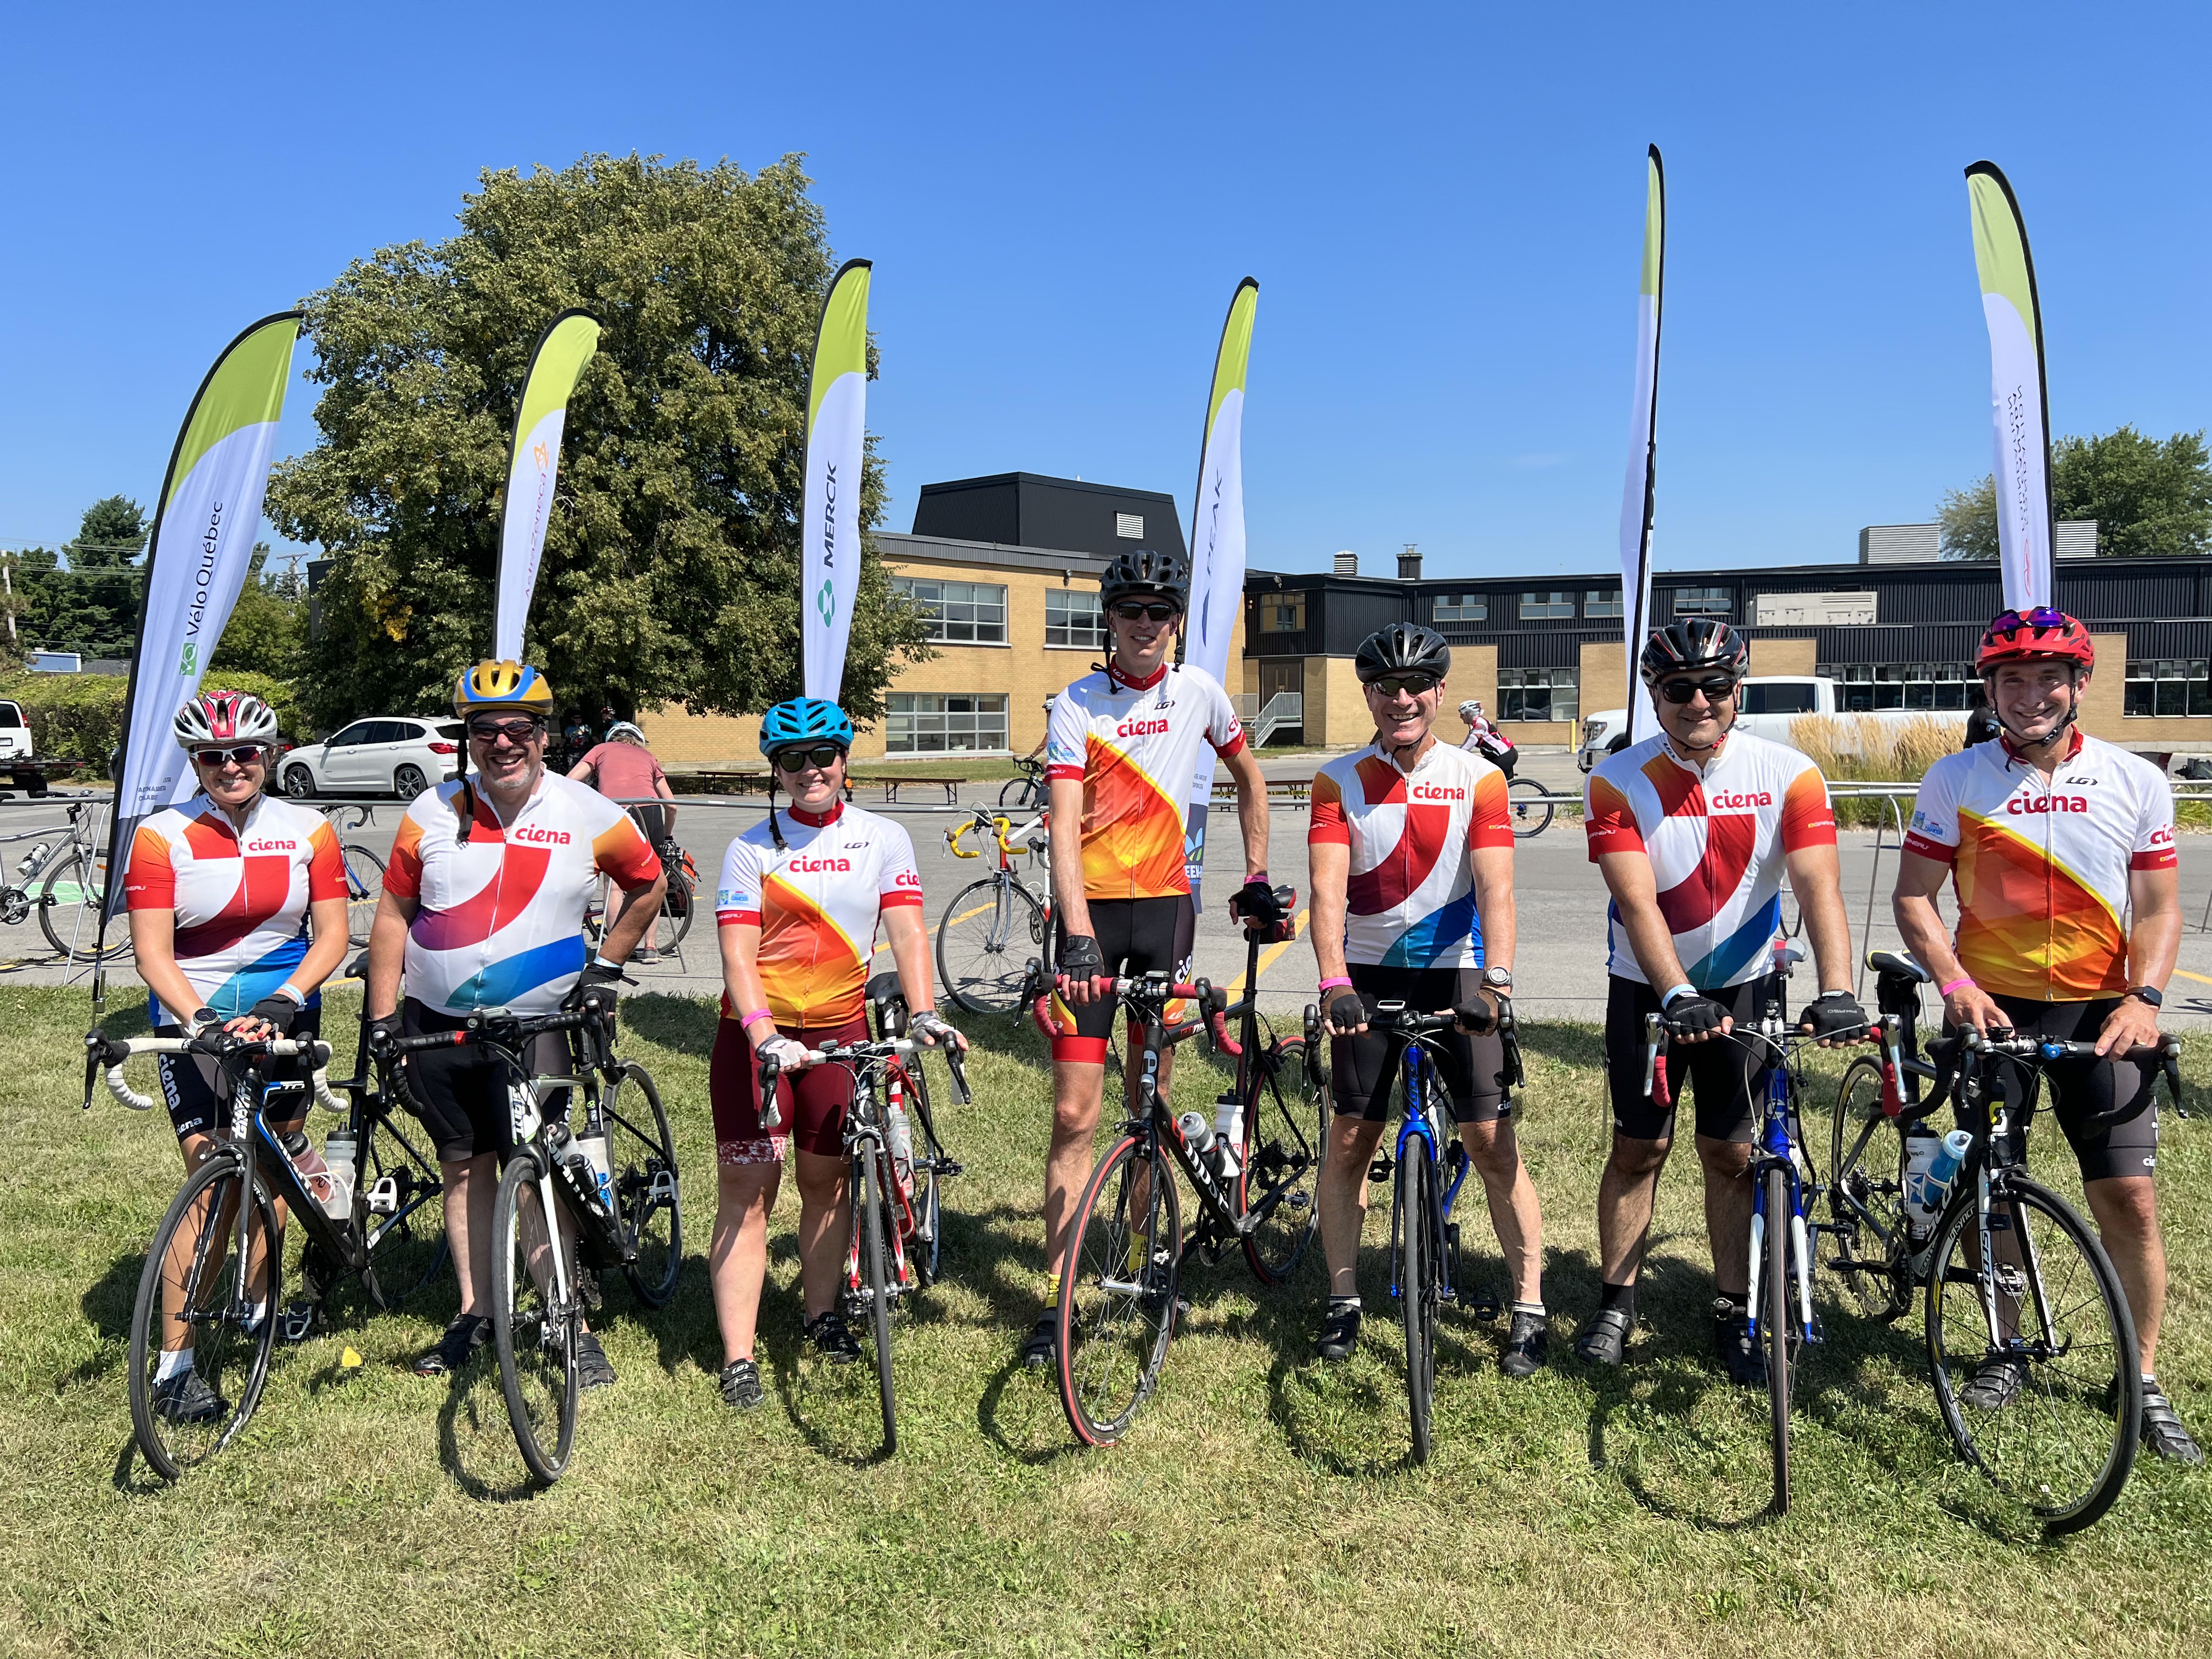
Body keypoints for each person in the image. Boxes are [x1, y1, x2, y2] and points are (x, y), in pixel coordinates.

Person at [1893, 607, 2198, 1464]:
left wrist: (2144, 998)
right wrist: (1952, 983)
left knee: (2129, 1201)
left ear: (2078, 686)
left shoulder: (2135, 780)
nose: (2030, 695)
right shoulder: (1956, 778)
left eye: (2048, 679)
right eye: (2011, 680)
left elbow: (2160, 909)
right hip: (1992, 1008)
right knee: (1994, 1189)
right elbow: (1915, 896)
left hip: (2105, 1012)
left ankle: (2137, 1377)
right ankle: (2006, 1344)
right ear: (1989, 690)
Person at [1577, 620, 1866, 1385]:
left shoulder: (1791, 774)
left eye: (1713, 688)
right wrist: (1674, 992)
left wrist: (1837, 989)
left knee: (1732, 1153)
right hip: (1647, 985)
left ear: (1738, 691)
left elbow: (1817, 886)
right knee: (1640, 1148)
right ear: (1655, 696)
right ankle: (1616, 1298)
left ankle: (1733, 1301)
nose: (1697, 702)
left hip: (1746, 985)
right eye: (1678, 690)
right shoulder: (1617, 780)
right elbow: (1637, 903)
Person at [364, 660, 665, 1388]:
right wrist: (380, 1022)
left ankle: (569, 1319)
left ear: (544, 734)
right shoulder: (430, 813)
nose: (503, 742)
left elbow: (651, 883)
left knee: (533, 1176)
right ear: (467, 737)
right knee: (463, 1169)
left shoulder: (585, 812)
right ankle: (477, 1313)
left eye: (519, 728)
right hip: (435, 1026)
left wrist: (607, 970)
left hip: (537, 1030)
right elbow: (392, 916)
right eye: (485, 729)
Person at [1022, 546, 1277, 1368]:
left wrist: (1260, 874)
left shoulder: (1199, 691)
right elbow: (1062, 824)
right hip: (1093, 921)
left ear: (1175, 622)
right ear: (1108, 619)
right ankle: (1058, 1297)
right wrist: (1076, 929)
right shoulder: (1076, 704)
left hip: (1166, 912)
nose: (1145, 625)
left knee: (1150, 1101)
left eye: (1159, 612)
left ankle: (1138, 1261)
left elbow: (1249, 776)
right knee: (1075, 1114)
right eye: (1130, 611)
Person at [704, 697, 967, 1410]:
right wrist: (762, 1035)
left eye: (822, 756)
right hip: (754, 1042)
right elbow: (735, 953)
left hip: (840, 1037)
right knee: (749, 1194)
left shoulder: (883, 838)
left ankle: (821, 1316)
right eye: (793, 760)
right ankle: (738, 1356)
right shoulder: (750, 848)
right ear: (776, 771)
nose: (809, 770)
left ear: (845, 761)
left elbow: (909, 934)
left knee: (827, 1184)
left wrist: (924, 1013)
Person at [1310, 627, 1547, 1375]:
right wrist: (1332, 983)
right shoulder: (1337, 780)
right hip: (1367, 975)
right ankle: (1344, 1299)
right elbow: (1326, 892)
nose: (1402, 699)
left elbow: (1497, 889)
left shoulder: (1480, 778)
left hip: (1459, 973)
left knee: (1488, 1139)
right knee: (1351, 1138)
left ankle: (1531, 1306)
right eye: (1386, 686)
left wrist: (1497, 985)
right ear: (1370, 696)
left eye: (1417, 686)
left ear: (1440, 693)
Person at [123, 690, 353, 1420]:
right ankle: (176, 1366)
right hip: (199, 1025)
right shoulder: (163, 836)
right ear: (195, 763)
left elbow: (331, 935)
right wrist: (200, 1020)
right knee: (213, 1171)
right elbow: (152, 954)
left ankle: (258, 1305)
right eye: (213, 756)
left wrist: (285, 1000)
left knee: (275, 1160)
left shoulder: (309, 829)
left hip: (285, 1011)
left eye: (244, 753)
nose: (231, 766)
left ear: (270, 754)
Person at [569, 720, 679, 962]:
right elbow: (670, 805)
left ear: (612, 738)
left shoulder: (600, 750)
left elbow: (570, 782)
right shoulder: (648, 756)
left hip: (613, 812)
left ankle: (615, 951)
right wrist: (668, 836)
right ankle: (651, 947)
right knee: (653, 882)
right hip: (649, 813)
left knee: (614, 885)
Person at [1458, 698, 1517, 778]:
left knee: (1480, 775)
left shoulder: (1480, 724)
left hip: (1504, 756)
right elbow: (1465, 746)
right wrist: (1455, 752)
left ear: (1469, 714)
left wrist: (1456, 756)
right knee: (1478, 767)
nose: (1460, 717)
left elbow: (1471, 743)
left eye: (1462, 714)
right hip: (1502, 755)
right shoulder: (1476, 725)